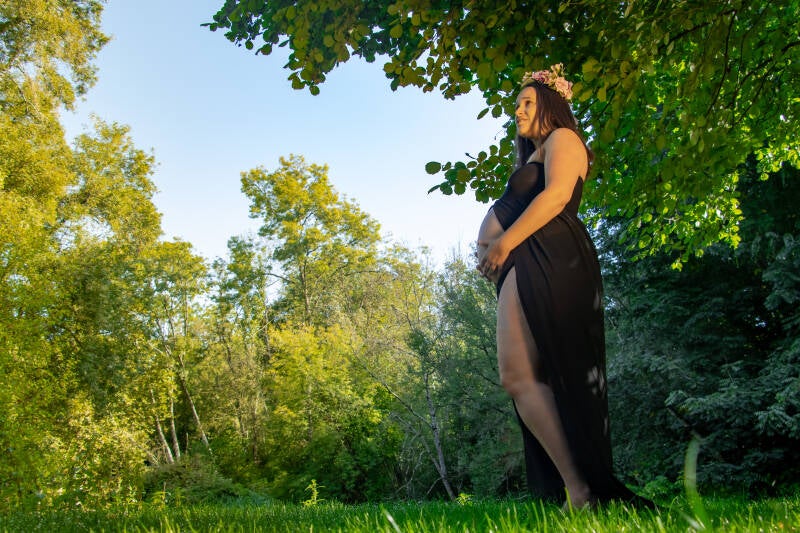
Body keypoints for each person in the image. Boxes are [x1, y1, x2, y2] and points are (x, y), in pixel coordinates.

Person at [476, 64, 648, 509]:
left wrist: (504, 241)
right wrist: (495, 249)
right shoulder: (532, 154)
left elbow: (555, 198)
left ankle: (583, 490)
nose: (517, 110)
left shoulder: (563, 140)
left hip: (550, 254)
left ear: (551, 104)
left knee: (538, 372)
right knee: (517, 376)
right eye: (516, 104)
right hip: (524, 260)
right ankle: (579, 488)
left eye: (527, 102)